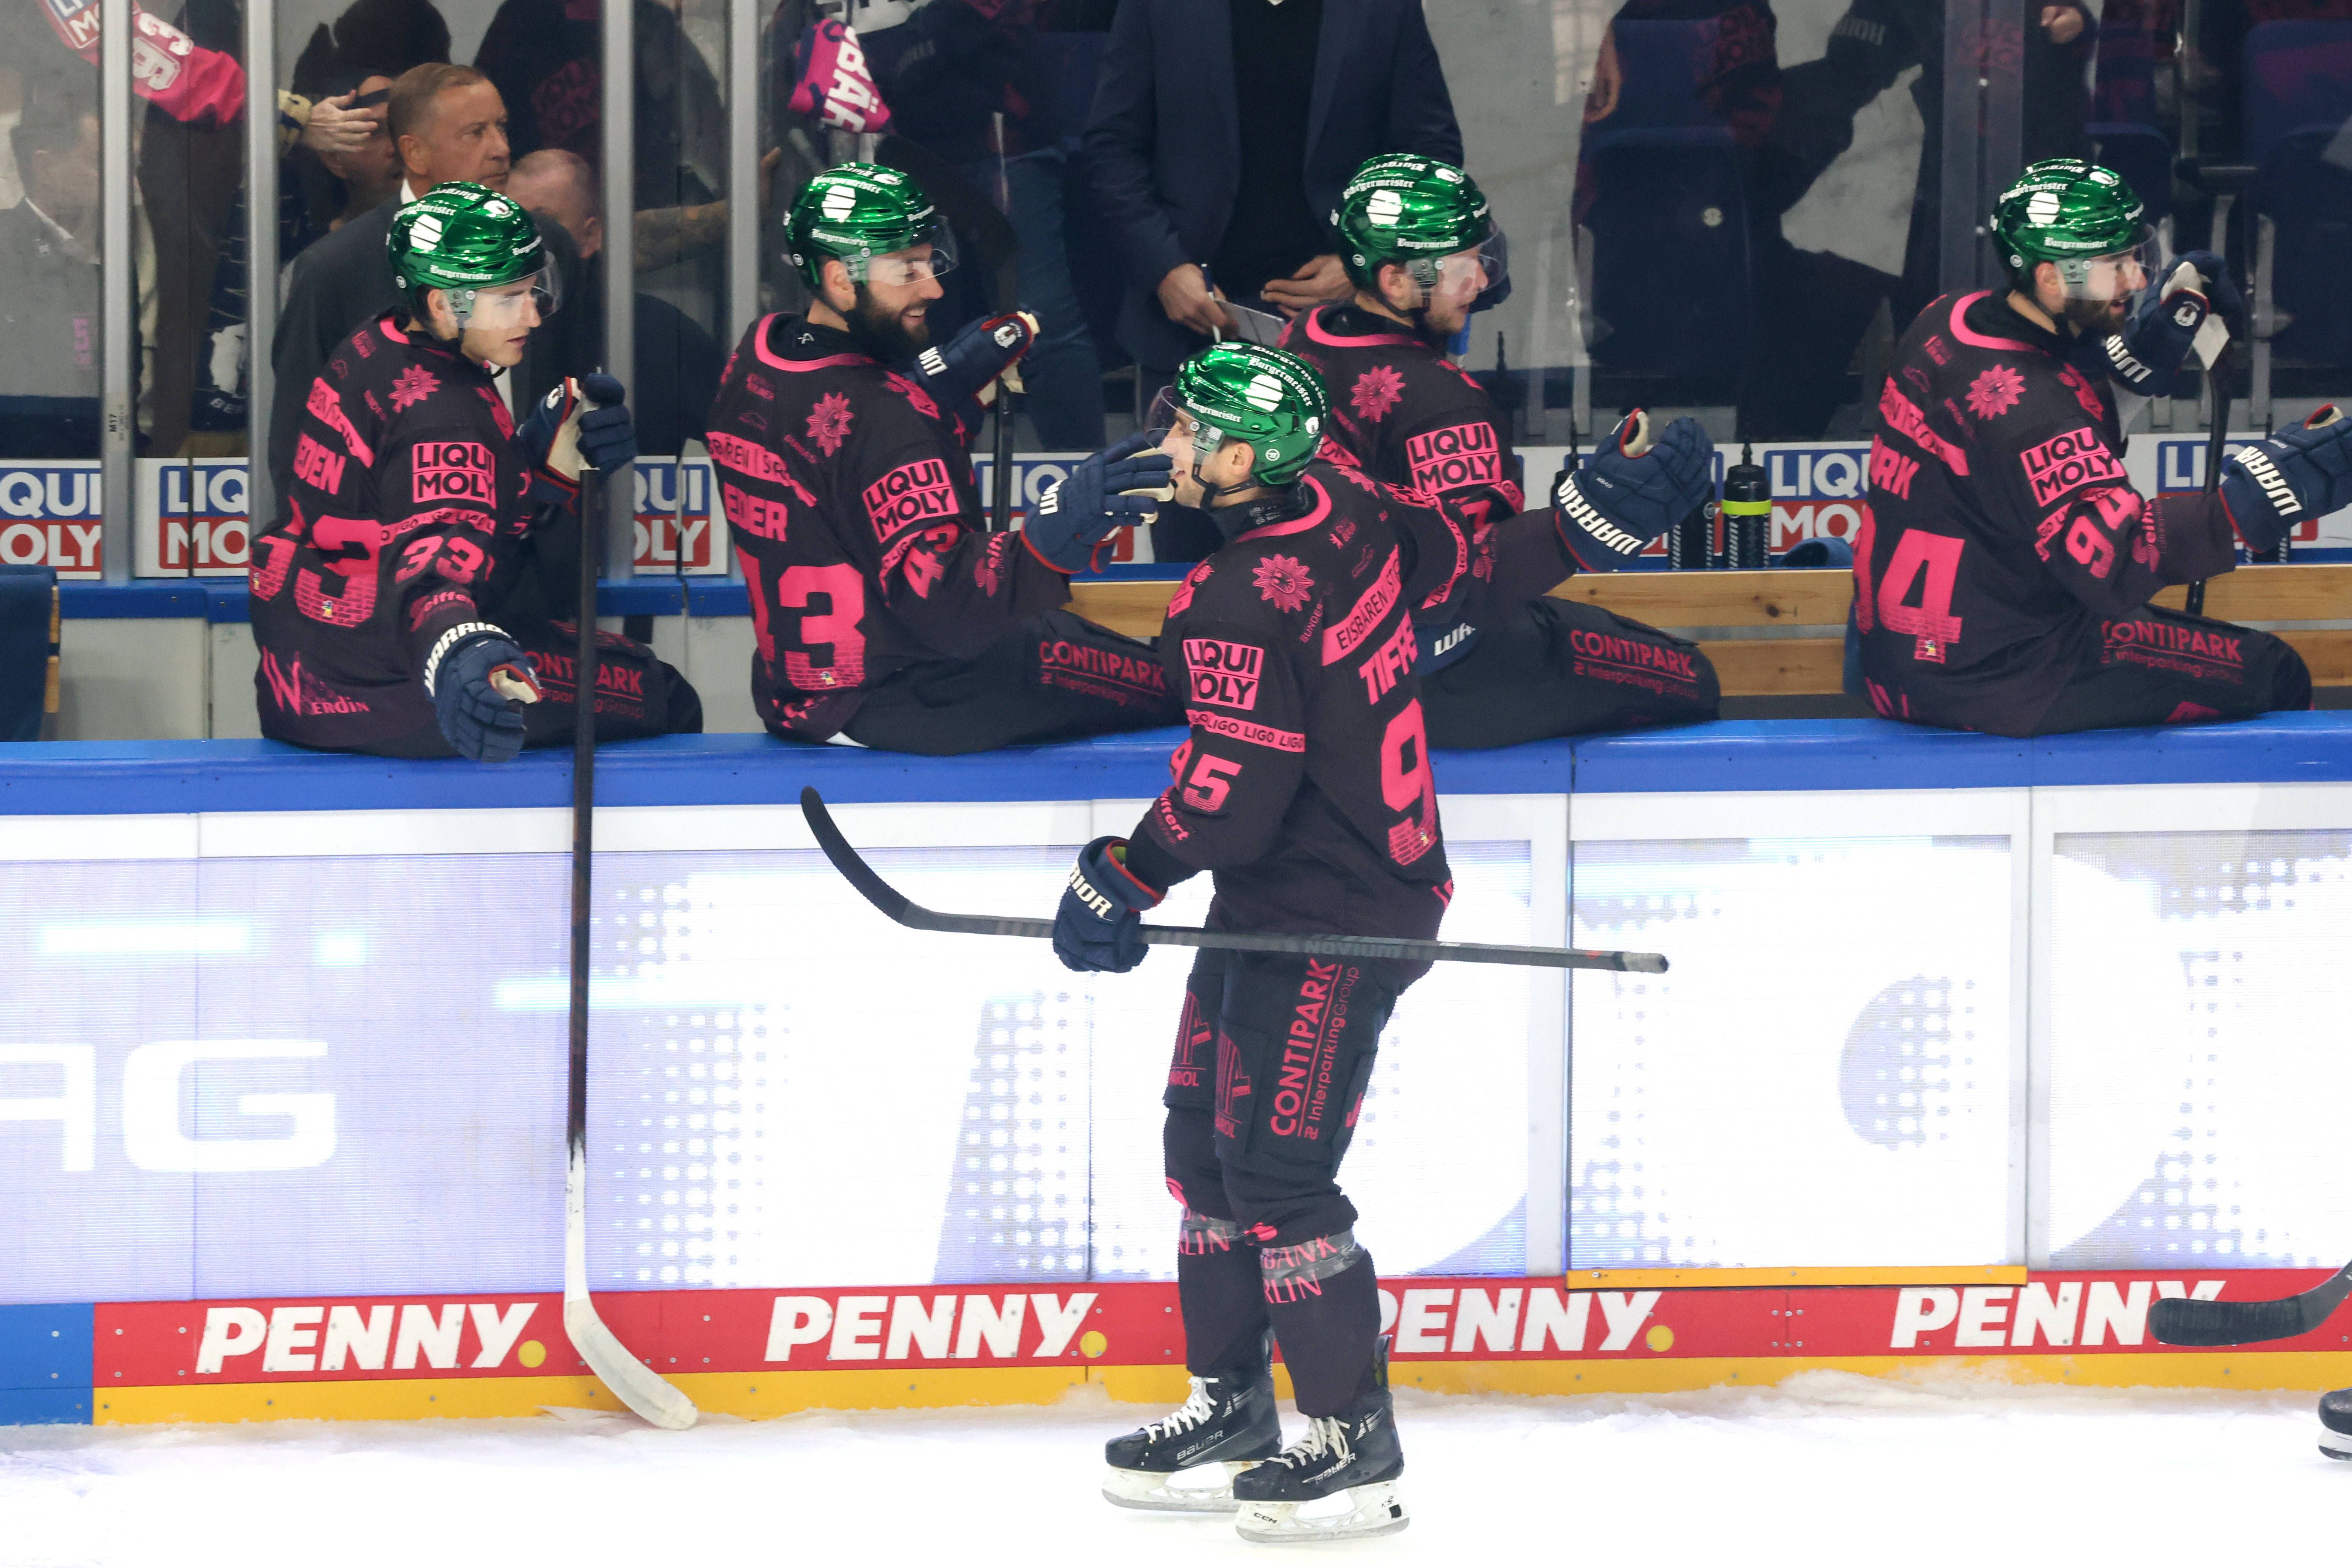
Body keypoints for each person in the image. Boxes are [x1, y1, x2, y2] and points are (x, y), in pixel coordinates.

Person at [1052, 341, 1463, 1541]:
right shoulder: (1342, 496)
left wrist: (1123, 873)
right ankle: (1231, 1406)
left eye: (1183, 432)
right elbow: (1445, 560)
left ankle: (1351, 1442)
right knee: (1202, 1140)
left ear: (1239, 461)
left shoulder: (1234, 594)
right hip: (1283, 891)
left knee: (1278, 1174)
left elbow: (1232, 787)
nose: (1164, 444)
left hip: (1335, 910)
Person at [1854, 158, 2352, 737]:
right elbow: (2113, 564)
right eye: (2114, 265)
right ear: (2049, 277)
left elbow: (2024, 444)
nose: (2138, 281)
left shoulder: (1946, 319)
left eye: (2135, 257)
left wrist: (2140, 360)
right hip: (2005, 675)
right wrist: (2257, 494)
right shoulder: (2033, 413)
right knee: (2275, 672)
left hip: (1907, 655)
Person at [704, 163, 1180, 753]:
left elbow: (831, 462)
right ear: (838, 278)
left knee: (1069, 634)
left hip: (798, 691)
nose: (932, 287)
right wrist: (1048, 537)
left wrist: (933, 390)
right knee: (1180, 688)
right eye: (906, 269)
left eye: (930, 261)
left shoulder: (757, 356)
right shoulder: (885, 418)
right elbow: (953, 610)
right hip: (913, 694)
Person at [1278, 153, 1721, 746]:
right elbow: (1470, 590)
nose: (1482, 281)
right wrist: (1587, 523)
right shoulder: (1444, 406)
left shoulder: (1301, 335)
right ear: (1395, 280)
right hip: (1422, 685)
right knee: (1694, 677)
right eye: (1464, 265)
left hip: (1298, 668)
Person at [249, 182, 701, 758]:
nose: (533, 315)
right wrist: (460, 653)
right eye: (509, 298)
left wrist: (532, 469)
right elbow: (432, 571)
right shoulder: (446, 418)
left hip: (307, 674)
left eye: (535, 290)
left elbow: (421, 514)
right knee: (663, 692)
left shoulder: (374, 344)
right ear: (442, 303)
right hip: (397, 689)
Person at [1083, 0, 1462, 400]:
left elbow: (1431, 156)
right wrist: (1164, 269)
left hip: (1348, 322)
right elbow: (1113, 146)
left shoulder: (1382, 8)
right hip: (1194, 318)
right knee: (1189, 465)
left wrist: (1365, 261)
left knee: (1345, 467)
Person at [270, 63, 588, 498]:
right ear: (415, 153)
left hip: (533, 547)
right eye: (475, 133)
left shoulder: (547, 245)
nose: (501, 148)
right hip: (395, 556)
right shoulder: (334, 270)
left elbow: (580, 398)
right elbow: (298, 453)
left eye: (502, 127)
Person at [508, 149, 726, 457]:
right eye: (512, 224)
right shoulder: (485, 336)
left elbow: (744, 444)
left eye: (543, 224)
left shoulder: (659, 335)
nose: (522, 243)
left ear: (591, 235)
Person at [0, 81, 102, 458]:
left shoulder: (119, 249)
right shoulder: (5, 251)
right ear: (44, 166)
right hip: (24, 471)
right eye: (97, 162)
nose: (122, 177)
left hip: (100, 468)